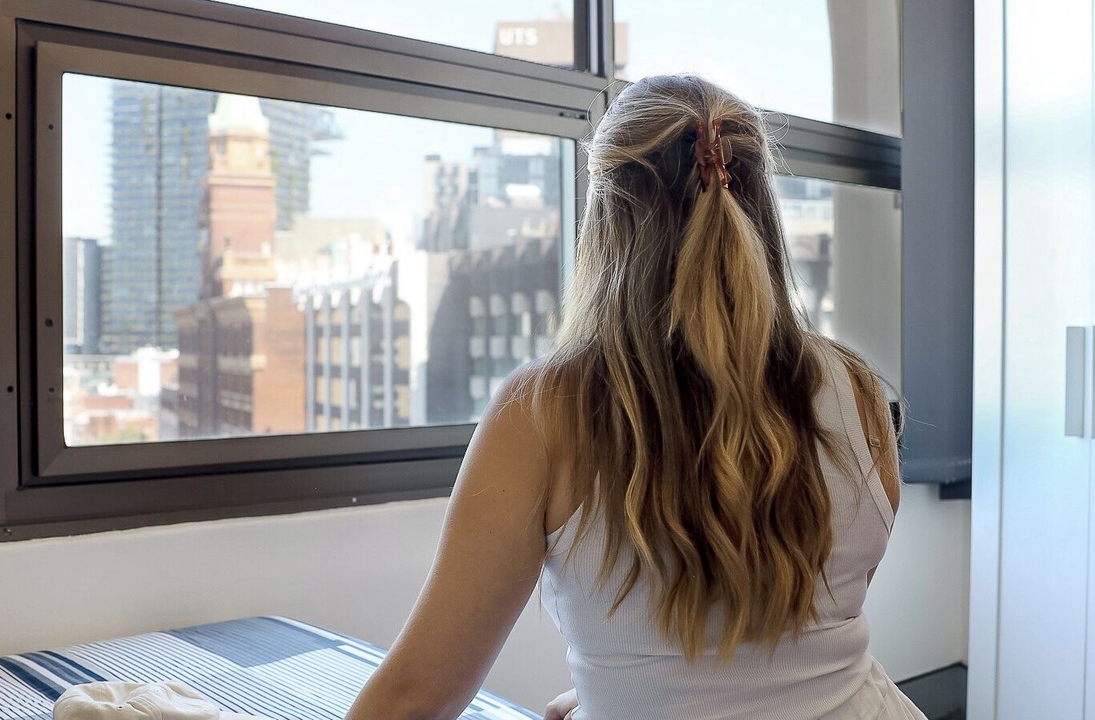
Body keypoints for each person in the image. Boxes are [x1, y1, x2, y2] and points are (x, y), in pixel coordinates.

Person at [344, 74, 925, 720]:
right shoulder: (861, 393)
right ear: (762, 206)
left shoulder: (541, 415)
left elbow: (413, 698)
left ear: (606, 223)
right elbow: (811, 631)